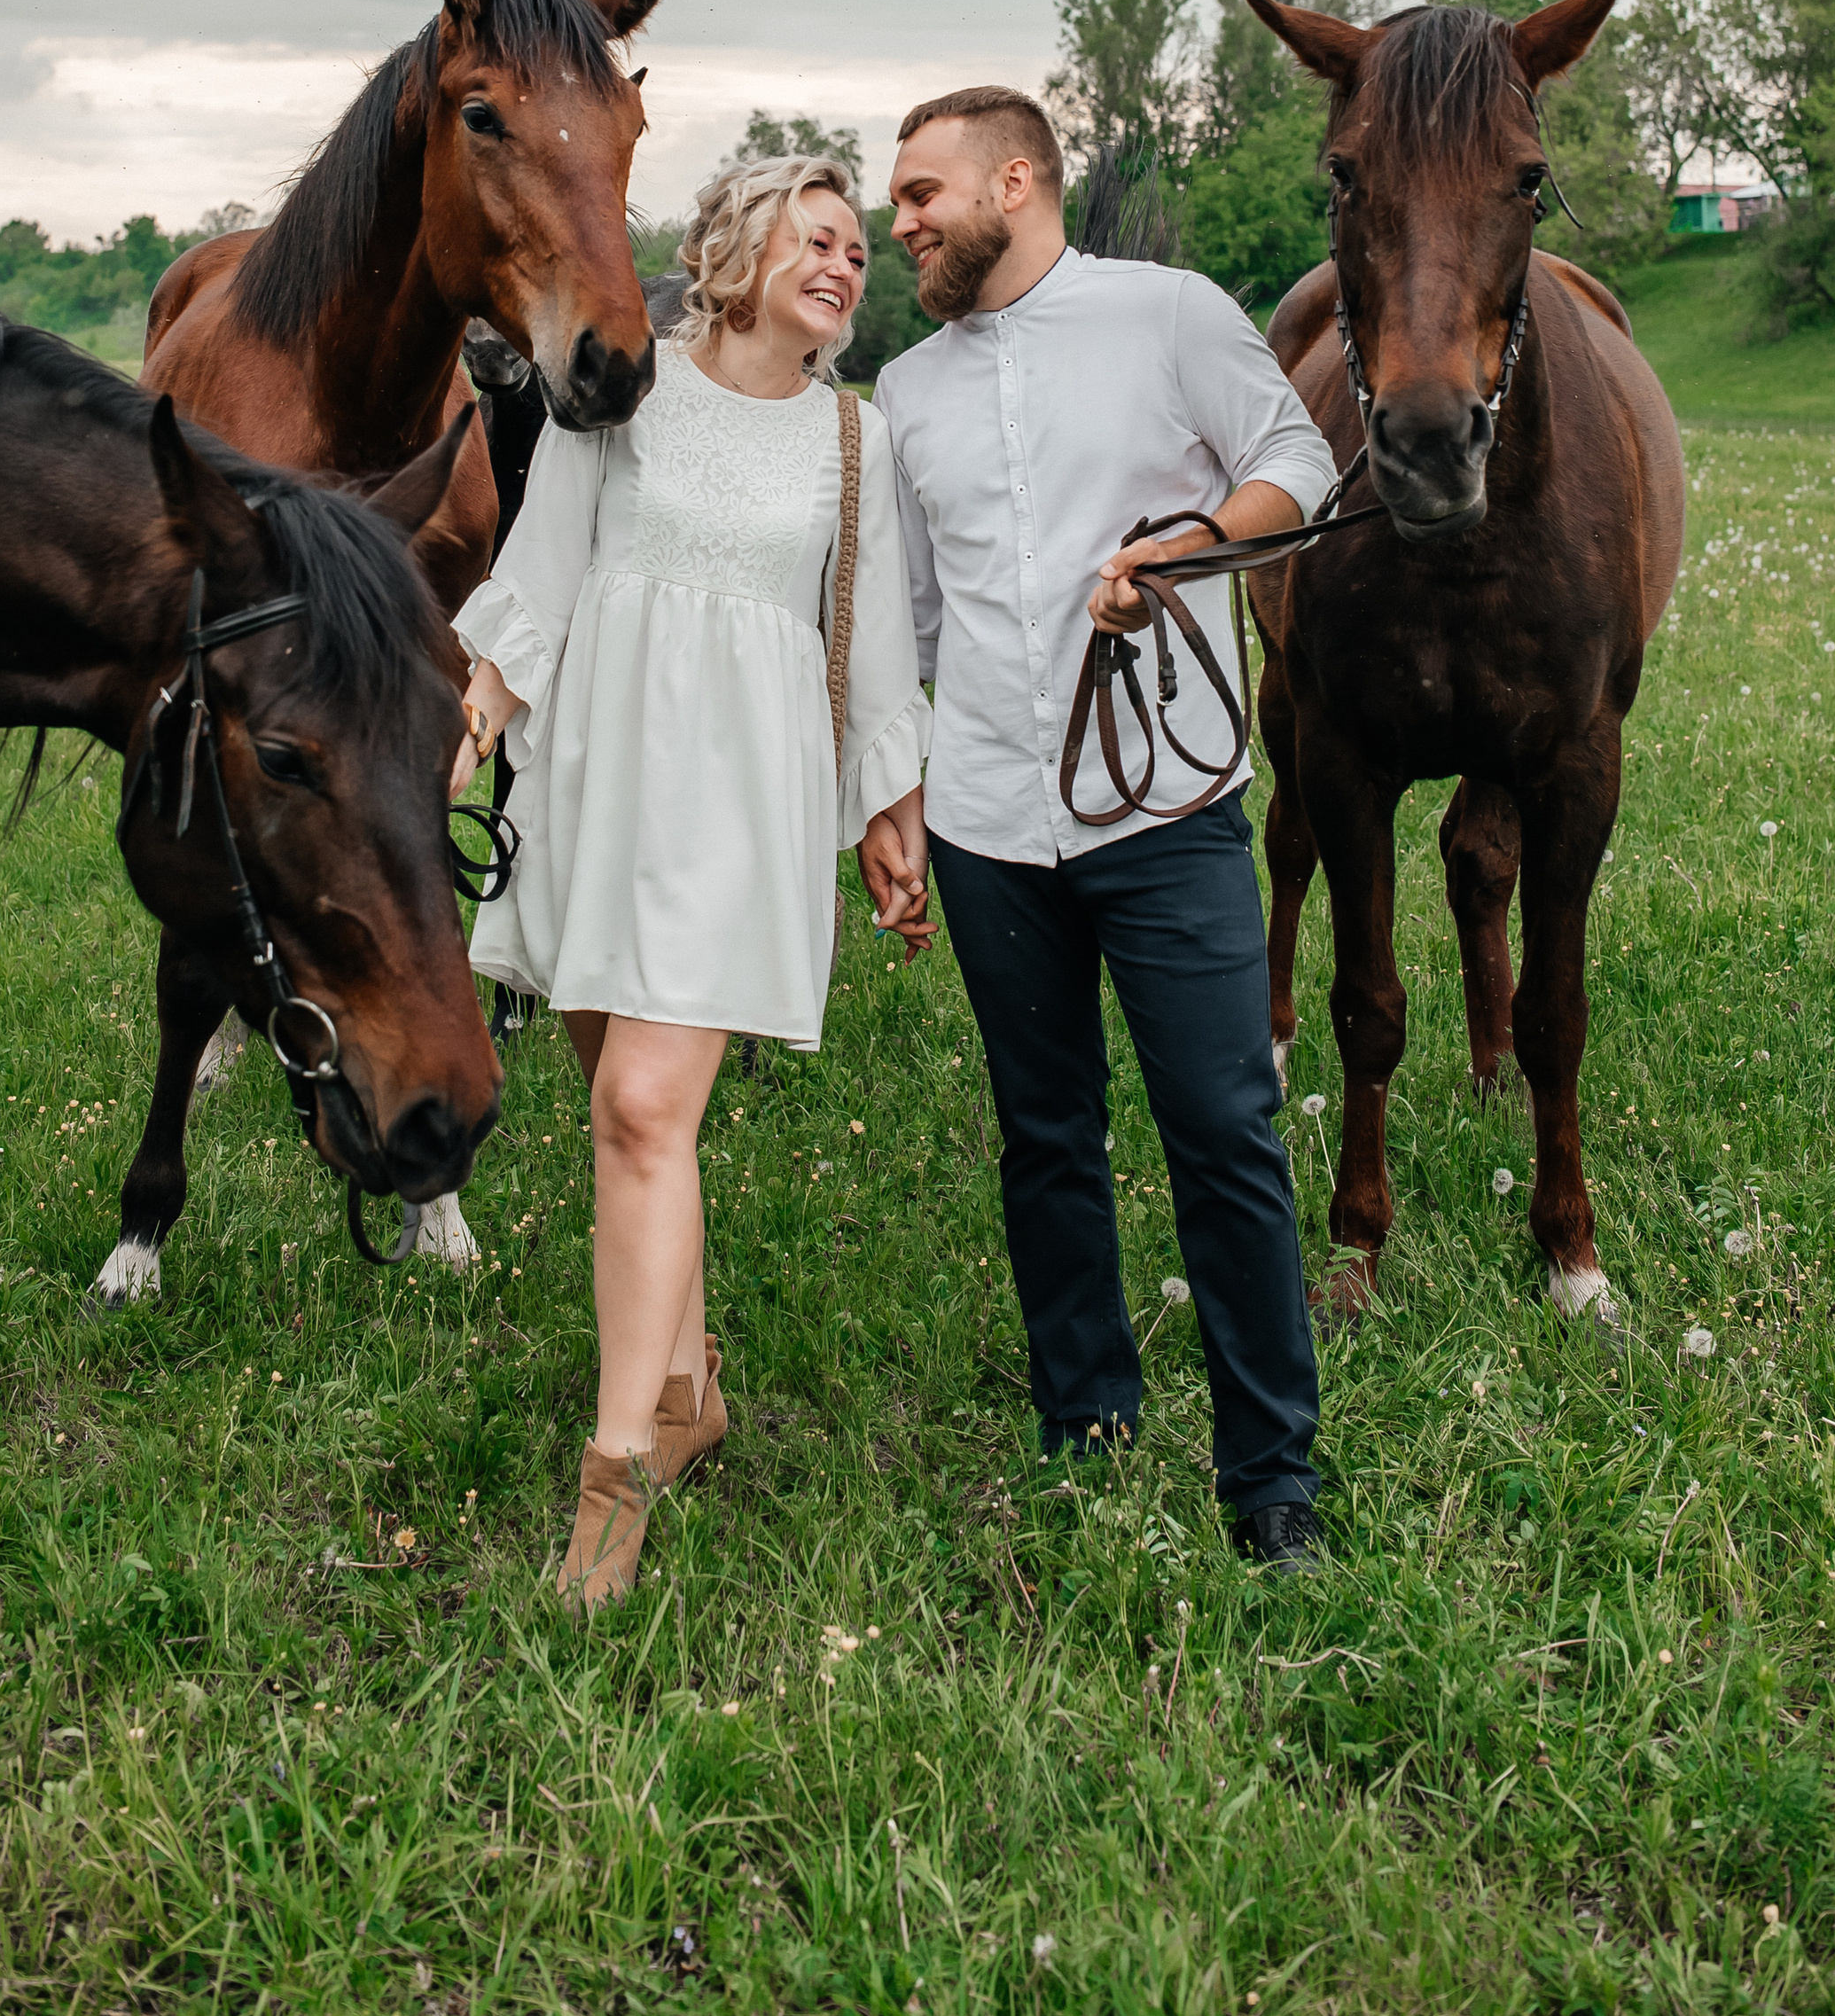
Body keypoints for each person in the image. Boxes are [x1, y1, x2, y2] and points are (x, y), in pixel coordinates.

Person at [861, 88, 1339, 1573]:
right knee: (1045, 1133)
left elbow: (1301, 469)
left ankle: (1272, 1475)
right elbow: (913, 616)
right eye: (898, 199)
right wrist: (901, 792)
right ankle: (1088, 1418)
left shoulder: (1169, 313)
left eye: (926, 190)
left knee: (1222, 1129)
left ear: (1020, 177)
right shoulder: (907, 392)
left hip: (1170, 799)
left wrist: (1186, 548)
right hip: (992, 818)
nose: (904, 221)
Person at [450, 154, 931, 1608]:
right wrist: (483, 702)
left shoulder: (855, 440)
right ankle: (685, 1384)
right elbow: (544, 562)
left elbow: (885, 638)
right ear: (741, 243)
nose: (845, 262)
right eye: (819, 235)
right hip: (600, 776)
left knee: (644, 1108)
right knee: (619, 1101)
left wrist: (889, 809)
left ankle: (612, 1484)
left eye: (858, 250)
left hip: (741, 802)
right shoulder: (629, 389)